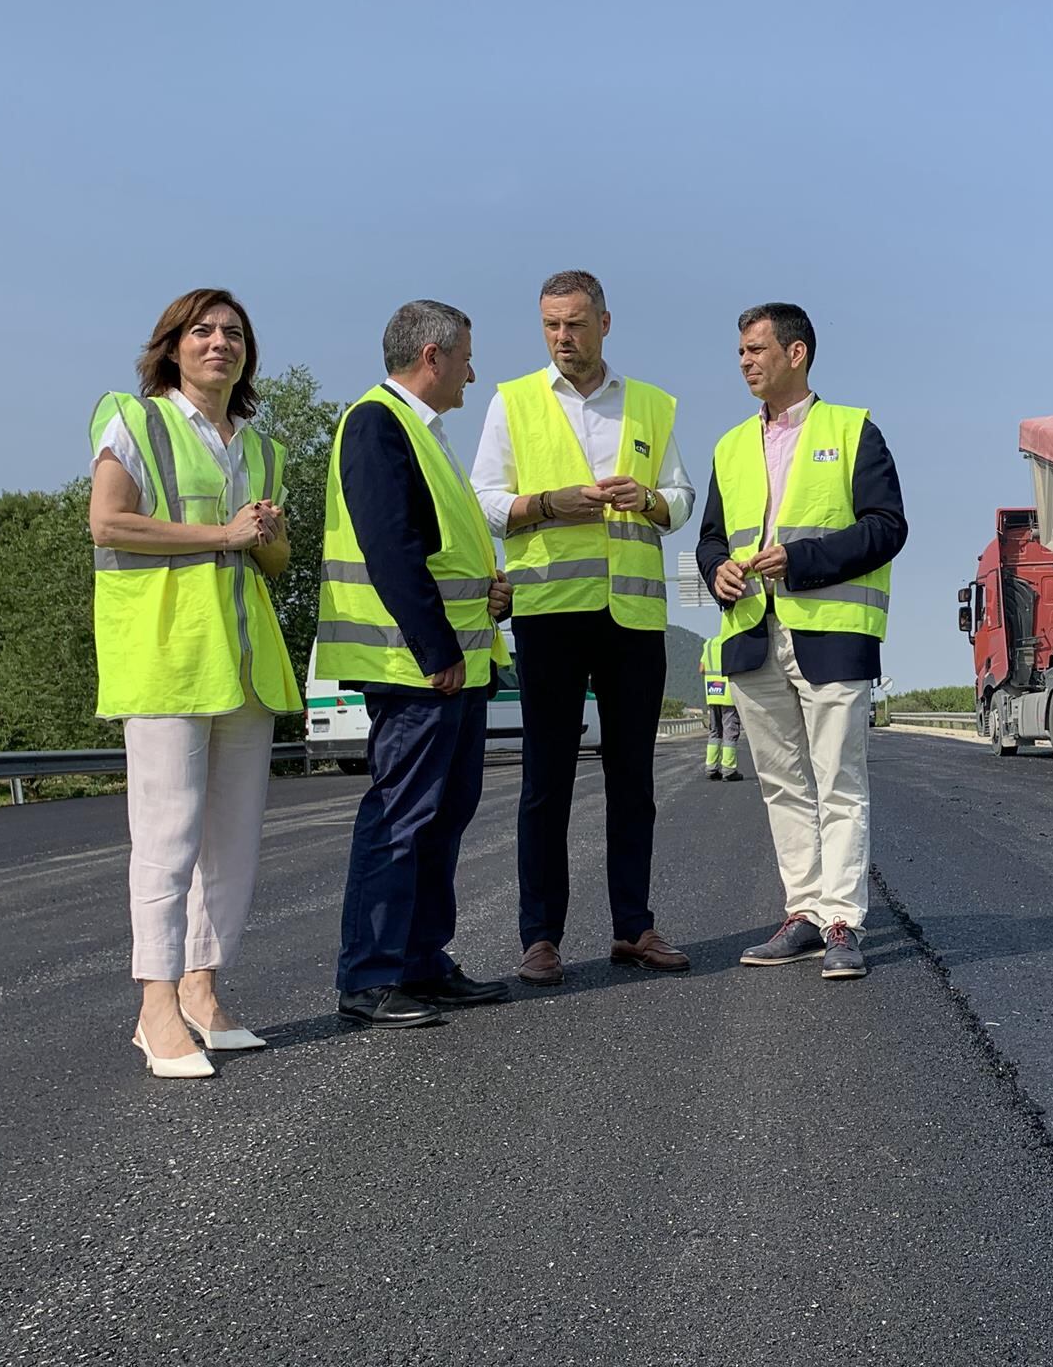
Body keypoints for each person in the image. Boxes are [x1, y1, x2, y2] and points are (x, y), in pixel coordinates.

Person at [88, 288, 302, 1078]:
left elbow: (271, 559)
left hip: (243, 662)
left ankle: (203, 991)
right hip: (167, 657)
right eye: (203, 331)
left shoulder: (263, 447)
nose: (220, 342)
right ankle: (155, 1008)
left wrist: (266, 537)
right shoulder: (135, 418)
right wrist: (223, 532)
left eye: (234, 333)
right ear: (173, 345)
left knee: (234, 842)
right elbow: (108, 522)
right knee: (168, 837)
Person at [470, 270, 695, 986]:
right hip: (548, 617)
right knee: (547, 782)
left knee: (633, 778)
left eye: (573, 323)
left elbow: (684, 497)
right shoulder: (511, 402)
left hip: (631, 618)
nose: (562, 338)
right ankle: (540, 937)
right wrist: (545, 503)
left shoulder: (653, 406)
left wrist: (653, 499)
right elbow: (485, 500)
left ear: (604, 322)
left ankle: (634, 927)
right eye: (550, 326)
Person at [696, 303, 907, 981]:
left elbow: (887, 527)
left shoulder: (852, 431)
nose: (745, 362)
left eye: (756, 349)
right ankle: (804, 913)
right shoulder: (729, 446)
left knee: (838, 781)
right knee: (783, 785)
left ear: (797, 353)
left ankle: (844, 920)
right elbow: (708, 539)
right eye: (740, 353)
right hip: (752, 636)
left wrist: (803, 559)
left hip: (832, 636)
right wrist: (716, 571)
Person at [318, 300, 514, 1028]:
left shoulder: (425, 434)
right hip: (413, 666)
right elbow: (389, 545)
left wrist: (489, 598)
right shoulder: (378, 421)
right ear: (432, 356)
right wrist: (436, 651)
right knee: (403, 818)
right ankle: (370, 978)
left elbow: (439, 553)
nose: (472, 371)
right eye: (466, 356)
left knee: (442, 817)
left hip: (452, 661)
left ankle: (422, 962)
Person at [700, 632, 744, 781]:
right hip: (728, 695)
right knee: (730, 732)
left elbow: (701, 669)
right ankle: (729, 769)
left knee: (715, 732)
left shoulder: (710, 643)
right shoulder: (732, 642)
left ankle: (711, 768)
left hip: (712, 693)